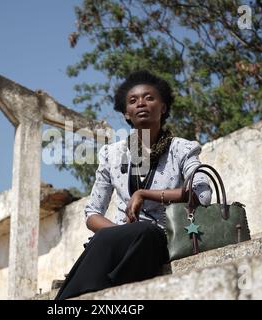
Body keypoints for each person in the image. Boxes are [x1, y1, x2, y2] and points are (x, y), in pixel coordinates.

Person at [55, 70, 212, 300]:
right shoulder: (112, 154)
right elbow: (92, 213)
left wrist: (144, 193)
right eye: (133, 100)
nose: (141, 103)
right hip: (119, 241)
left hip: (164, 237)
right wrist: (120, 233)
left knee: (145, 231)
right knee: (105, 239)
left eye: (149, 98)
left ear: (163, 107)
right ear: (127, 114)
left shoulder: (182, 148)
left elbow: (203, 194)